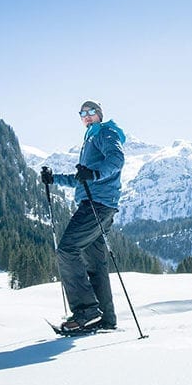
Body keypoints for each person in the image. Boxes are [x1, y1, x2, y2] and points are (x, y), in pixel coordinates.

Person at [40, 100, 126, 332]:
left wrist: (95, 173)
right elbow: (82, 178)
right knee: (95, 262)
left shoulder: (104, 132)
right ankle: (106, 318)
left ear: (99, 114)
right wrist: (54, 179)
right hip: (102, 204)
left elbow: (116, 160)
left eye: (91, 112)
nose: (86, 116)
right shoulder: (91, 138)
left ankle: (86, 309)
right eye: (82, 113)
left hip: (96, 204)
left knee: (67, 249)